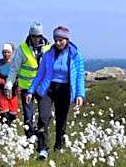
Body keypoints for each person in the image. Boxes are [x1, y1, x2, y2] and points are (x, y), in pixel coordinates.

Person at [26, 25, 85, 160]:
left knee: (61, 120)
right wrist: (31, 91)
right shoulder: (48, 54)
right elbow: (40, 74)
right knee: (43, 118)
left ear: (67, 39)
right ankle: (42, 149)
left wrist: (80, 95)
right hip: (47, 88)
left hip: (65, 89)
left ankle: (59, 147)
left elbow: (80, 76)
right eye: (56, 40)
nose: (58, 43)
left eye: (61, 40)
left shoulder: (75, 55)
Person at [5, 22, 50, 139]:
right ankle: (29, 139)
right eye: (34, 36)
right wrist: (9, 84)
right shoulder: (22, 49)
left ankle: (41, 137)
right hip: (27, 87)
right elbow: (14, 68)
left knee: (44, 115)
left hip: (42, 87)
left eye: (38, 36)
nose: (36, 39)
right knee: (28, 115)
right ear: (30, 35)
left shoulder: (49, 48)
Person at [0, 43, 19, 125]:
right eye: (4, 52)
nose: (6, 54)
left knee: (13, 114)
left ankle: (9, 130)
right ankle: (4, 130)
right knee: (4, 114)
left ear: (12, 53)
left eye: (8, 52)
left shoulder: (15, 64)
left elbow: (19, 76)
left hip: (13, 91)